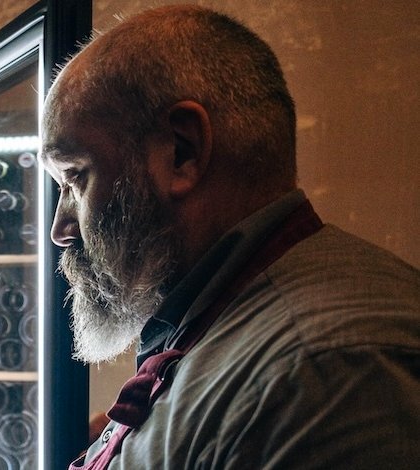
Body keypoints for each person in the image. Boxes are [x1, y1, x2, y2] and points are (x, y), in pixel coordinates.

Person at [39, 5, 420, 469]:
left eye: (75, 177)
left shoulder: (325, 372)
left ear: (181, 152)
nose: (61, 229)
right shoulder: (239, 338)